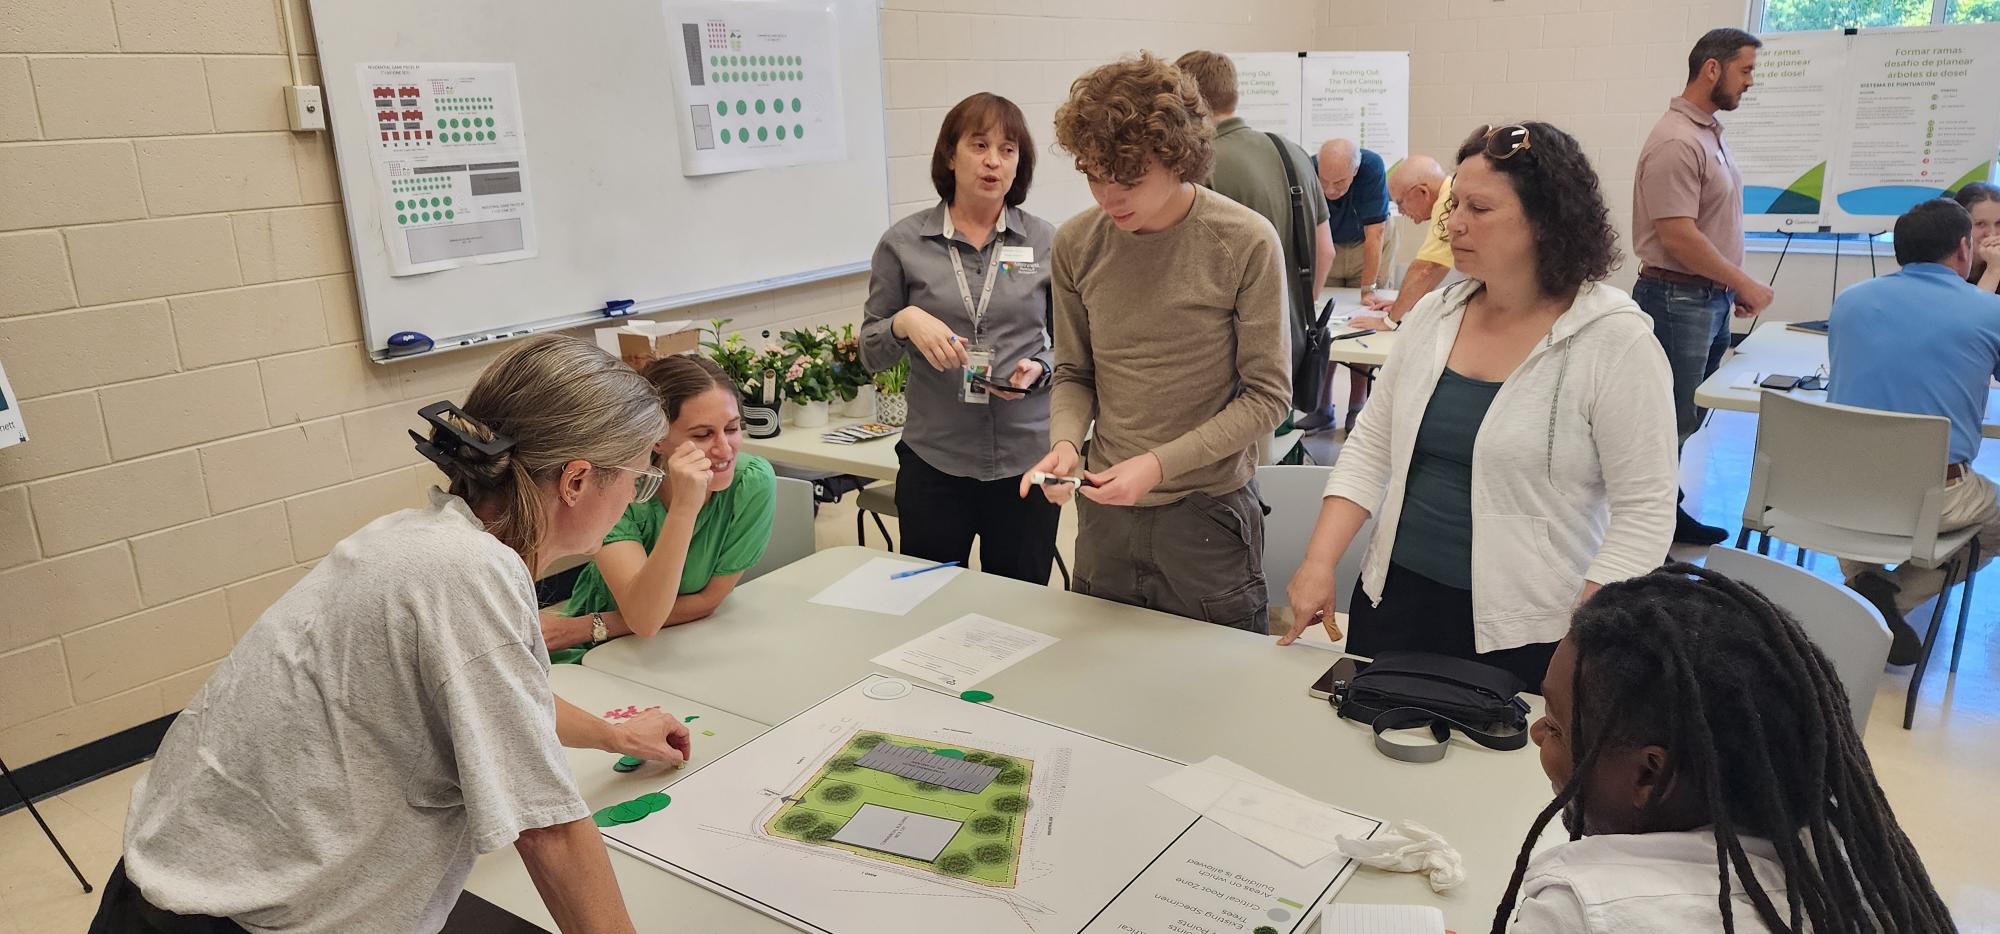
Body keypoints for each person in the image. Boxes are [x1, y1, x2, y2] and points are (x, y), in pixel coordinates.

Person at [94, 336, 693, 934]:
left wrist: (614, 735)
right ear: (576, 480)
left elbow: (493, 701)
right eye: (637, 478)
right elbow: (549, 832)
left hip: (170, 887)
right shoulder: (469, 574)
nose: (634, 497)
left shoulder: (420, 539)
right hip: (228, 919)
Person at [1279, 122, 1678, 690]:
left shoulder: (1614, 341)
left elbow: (1645, 512)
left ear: (1545, 221)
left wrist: (1588, 636)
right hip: (1394, 600)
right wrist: (1319, 563)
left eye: (1479, 208)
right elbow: (1369, 449)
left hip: (1533, 626)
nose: (1453, 225)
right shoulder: (1434, 317)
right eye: (1454, 204)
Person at [1494, 565, 1953, 932]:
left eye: (1556, 727)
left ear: (1651, 773)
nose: (1536, 732)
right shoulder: (1847, 866)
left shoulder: (1577, 911)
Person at [1023, 53, 1291, 632]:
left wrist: (1157, 465)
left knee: (1217, 680)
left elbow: (1268, 397)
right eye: (1095, 175)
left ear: (1179, 158)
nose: (1108, 197)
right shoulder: (1076, 243)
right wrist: (1066, 443)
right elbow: (1074, 373)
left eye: (1129, 179)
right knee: (1102, 672)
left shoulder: (1245, 242)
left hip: (1206, 515)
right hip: (1105, 513)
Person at [860, 92, 1061, 583]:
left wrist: (1042, 366)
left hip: (1025, 459)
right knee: (930, 601)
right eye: (979, 145)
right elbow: (870, 352)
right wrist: (904, 322)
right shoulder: (903, 244)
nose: (994, 161)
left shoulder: (1046, 242)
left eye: (1008, 150)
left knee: (1019, 608)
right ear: (950, 155)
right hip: (936, 461)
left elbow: (1076, 347)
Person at [1827, 198, 2000, 666]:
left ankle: (1867, 588)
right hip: (1932, 495)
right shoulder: (1988, 311)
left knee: (1858, 497)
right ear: (1964, 248)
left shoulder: (1849, 301)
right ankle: (1888, 601)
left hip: (1831, 490)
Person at [541, 354, 776, 663]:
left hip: (683, 639)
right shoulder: (620, 489)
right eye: (702, 435)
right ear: (657, 439)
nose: (724, 449)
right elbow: (644, 617)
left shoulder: (752, 482)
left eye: (732, 429)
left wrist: (581, 628)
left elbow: (708, 601)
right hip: (602, 651)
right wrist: (684, 508)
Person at [1633, 27, 1771, 547]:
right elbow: (1677, 235)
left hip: (1703, 298)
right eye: (1745, 70)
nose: (1750, 82)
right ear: (1712, 68)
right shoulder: (1677, 140)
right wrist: (1742, 281)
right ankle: (1650, 528)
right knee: (1667, 421)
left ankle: (1666, 513)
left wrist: (1729, 287)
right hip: (1677, 299)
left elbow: (1708, 225)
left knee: (1688, 416)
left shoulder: (1707, 133)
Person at [1175, 50, 1334, 425]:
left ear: (1186, 97)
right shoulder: (1292, 152)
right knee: (1279, 450)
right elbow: (1325, 250)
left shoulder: (1198, 164)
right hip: (1292, 348)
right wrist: (1290, 315)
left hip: (1229, 367)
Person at [1307, 137, 1394, 431]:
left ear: (1354, 171)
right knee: (1325, 321)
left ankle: (1357, 406)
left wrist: (1368, 288)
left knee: (1362, 320)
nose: (1330, 190)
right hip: (1329, 243)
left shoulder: (1372, 167)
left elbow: (1376, 234)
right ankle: (1322, 407)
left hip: (1365, 243)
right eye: (1324, 181)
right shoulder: (1308, 168)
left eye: (1339, 182)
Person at [1357, 155, 1455, 329]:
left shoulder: (1448, 202)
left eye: (1400, 202)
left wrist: (1389, 321)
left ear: (1422, 192)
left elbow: (1427, 268)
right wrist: (1403, 305)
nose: (1401, 212)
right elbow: (1437, 268)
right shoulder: (1451, 194)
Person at [1954, 180, 2000, 293]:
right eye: (1980, 224)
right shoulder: (1944, 269)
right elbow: (1972, 305)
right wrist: (1993, 270)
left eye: (1999, 223)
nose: (1992, 233)